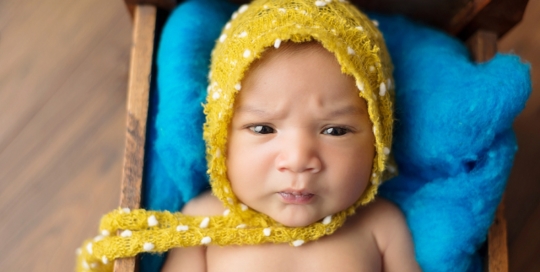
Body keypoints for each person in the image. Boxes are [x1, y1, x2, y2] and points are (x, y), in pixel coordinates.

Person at [161, 0, 420, 271]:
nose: (298, 160)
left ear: (379, 141)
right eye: (263, 129)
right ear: (219, 136)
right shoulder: (202, 221)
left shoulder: (381, 225)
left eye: (335, 131)